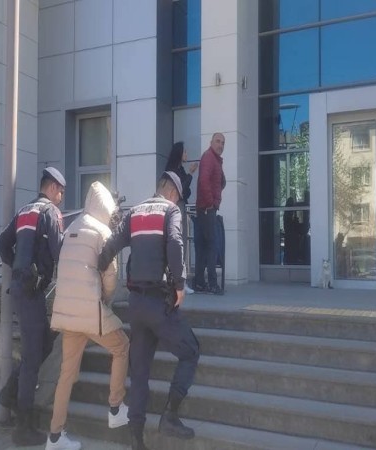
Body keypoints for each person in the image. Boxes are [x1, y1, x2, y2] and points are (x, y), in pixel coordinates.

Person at [98, 172, 200, 450]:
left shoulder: (135, 212)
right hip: (159, 303)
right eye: (177, 197)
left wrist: (98, 268)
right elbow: (175, 242)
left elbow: (112, 244)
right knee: (191, 351)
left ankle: (136, 441)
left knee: (140, 374)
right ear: (172, 193)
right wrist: (179, 284)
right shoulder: (170, 211)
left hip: (136, 305)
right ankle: (170, 416)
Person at [46, 181, 130, 450]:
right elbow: (110, 277)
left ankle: (54, 436)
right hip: (90, 311)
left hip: (67, 314)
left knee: (66, 374)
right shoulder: (102, 232)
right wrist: (106, 300)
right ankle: (115, 408)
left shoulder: (72, 226)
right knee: (122, 346)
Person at [0, 166, 66, 446]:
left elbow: (2, 244)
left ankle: (9, 394)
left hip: (21, 290)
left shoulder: (25, 210)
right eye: (61, 192)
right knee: (33, 358)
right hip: (31, 292)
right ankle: (23, 427)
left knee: (43, 344)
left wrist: (18, 266)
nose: (61, 197)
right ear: (52, 188)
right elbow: (60, 252)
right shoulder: (50, 212)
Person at [193, 133, 226, 295]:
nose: (220, 145)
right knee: (211, 245)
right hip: (207, 208)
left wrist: (214, 195)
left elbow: (221, 181)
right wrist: (211, 202)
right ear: (211, 142)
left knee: (203, 246)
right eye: (218, 141)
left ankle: (199, 282)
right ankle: (212, 284)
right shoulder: (209, 158)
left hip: (205, 208)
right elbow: (203, 181)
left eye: (223, 143)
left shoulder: (215, 160)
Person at [165, 142, 198, 295]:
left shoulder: (179, 170)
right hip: (176, 208)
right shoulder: (173, 171)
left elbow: (186, 191)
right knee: (179, 242)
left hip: (179, 207)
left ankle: (179, 281)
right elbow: (181, 189)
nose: (186, 154)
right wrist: (190, 174)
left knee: (181, 243)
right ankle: (178, 282)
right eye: (184, 152)